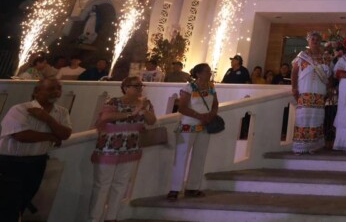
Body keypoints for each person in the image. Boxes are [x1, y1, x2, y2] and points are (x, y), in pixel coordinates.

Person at [0, 78, 72, 221]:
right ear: (37, 91)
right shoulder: (20, 109)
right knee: (7, 204)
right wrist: (51, 136)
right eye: (51, 89)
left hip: (37, 162)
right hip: (11, 163)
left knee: (24, 200)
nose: (56, 92)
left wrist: (48, 119)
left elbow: (65, 134)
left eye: (58, 89)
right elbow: (21, 135)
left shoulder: (61, 112)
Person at [88, 76, 156, 222]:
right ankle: (94, 218)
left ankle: (112, 217)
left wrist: (143, 110)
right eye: (136, 86)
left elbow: (152, 121)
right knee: (102, 184)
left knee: (121, 183)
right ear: (126, 88)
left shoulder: (145, 103)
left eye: (141, 86)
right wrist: (131, 113)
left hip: (130, 148)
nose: (139, 89)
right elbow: (105, 117)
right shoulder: (114, 101)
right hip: (109, 147)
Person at [168, 63, 218, 200]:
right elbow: (182, 107)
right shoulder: (188, 88)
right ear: (198, 74)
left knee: (200, 156)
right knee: (181, 156)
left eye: (209, 71)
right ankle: (175, 188)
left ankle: (193, 187)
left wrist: (211, 115)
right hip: (188, 125)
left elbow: (215, 104)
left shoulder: (211, 87)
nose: (209, 74)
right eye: (207, 71)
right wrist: (199, 116)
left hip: (204, 126)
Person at [291, 32, 331, 154]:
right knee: (303, 117)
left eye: (317, 39)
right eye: (312, 39)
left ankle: (314, 145)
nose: (315, 41)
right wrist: (294, 88)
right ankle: (301, 145)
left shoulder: (325, 57)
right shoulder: (302, 56)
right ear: (308, 41)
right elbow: (294, 72)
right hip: (305, 90)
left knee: (316, 118)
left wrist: (329, 89)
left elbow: (329, 76)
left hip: (319, 91)